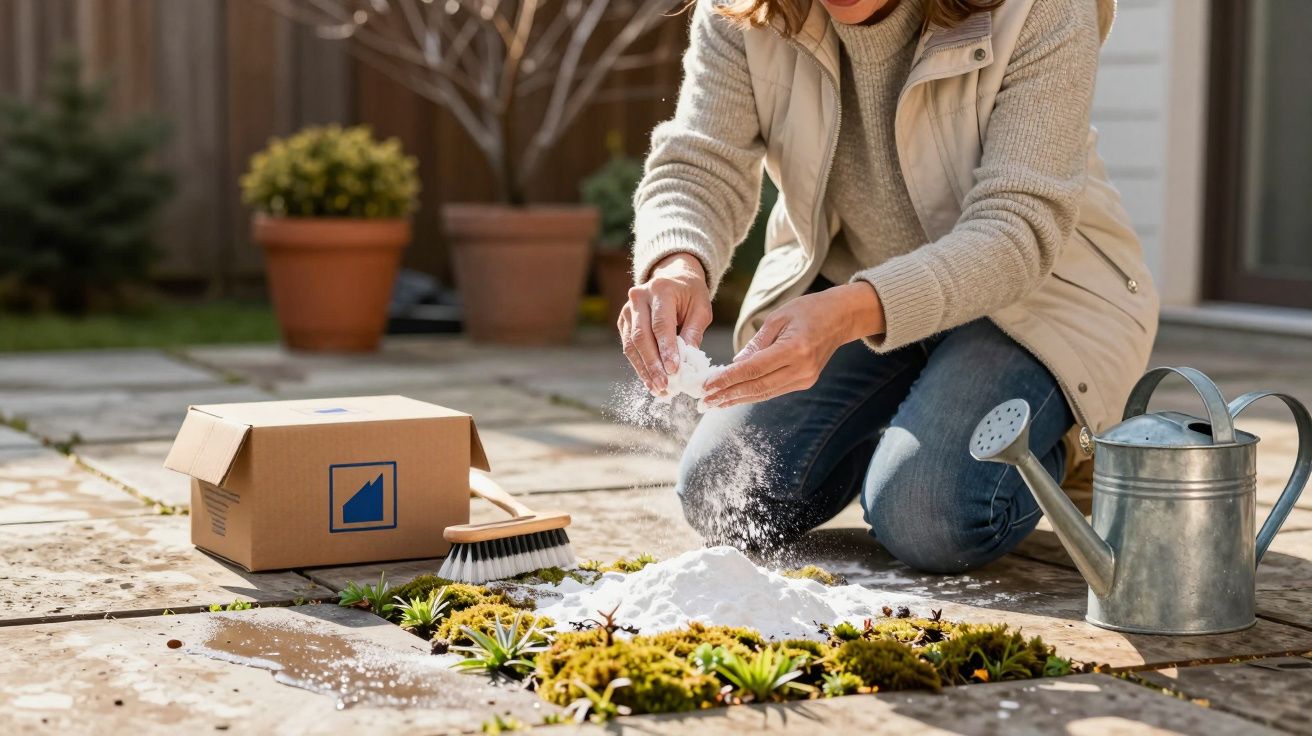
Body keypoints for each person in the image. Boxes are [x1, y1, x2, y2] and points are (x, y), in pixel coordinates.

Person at [617, 0, 1159, 572]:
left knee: (929, 517)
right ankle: (915, 420)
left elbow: (1016, 228)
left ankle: (1068, 438)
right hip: (853, 291)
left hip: (1034, 303)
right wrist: (678, 262)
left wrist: (847, 315)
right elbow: (700, 161)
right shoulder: (745, 10)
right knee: (719, 493)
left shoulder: (1043, 9)